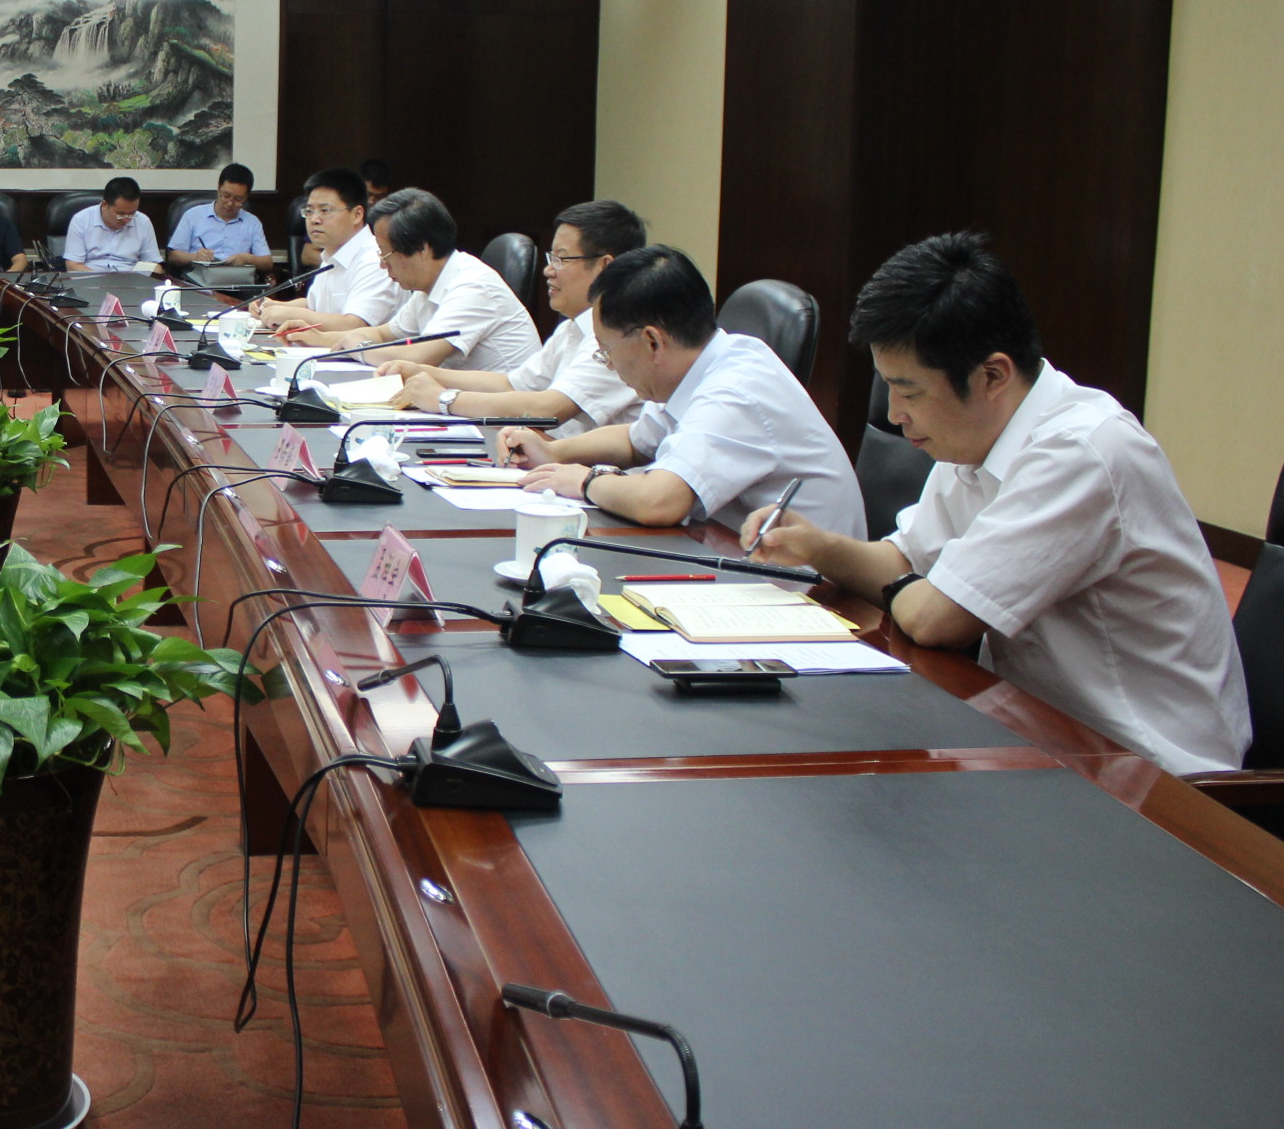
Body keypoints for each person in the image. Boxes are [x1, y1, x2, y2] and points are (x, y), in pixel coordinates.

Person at [742, 233, 1249, 774]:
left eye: (909, 392)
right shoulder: (978, 433)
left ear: (992, 375)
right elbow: (906, 563)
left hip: (1148, 774)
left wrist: (920, 589)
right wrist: (817, 547)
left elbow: (937, 619)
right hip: (1037, 736)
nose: (893, 414)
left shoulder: (1082, 452)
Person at [505, 244, 863, 537]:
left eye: (607, 351)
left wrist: (586, 480)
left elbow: (659, 502)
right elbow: (636, 440)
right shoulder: (699, 366)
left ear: (653, 341)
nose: (609, 365)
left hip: (802, 588)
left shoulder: (736, 390)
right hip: (727, 553)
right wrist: (553, 452)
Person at [383, 199, 645, 434]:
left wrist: (443, 399)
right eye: (551, 258)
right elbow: (512, 384)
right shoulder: (572, 328)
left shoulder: (621, 336)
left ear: (605, 266)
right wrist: (421, 371)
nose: (548, 271)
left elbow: (548, 408)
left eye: (562, 259)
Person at [271, 188, 539, 371]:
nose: (382, 263)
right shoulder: (427, 287)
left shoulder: (472, 285)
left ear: (421, 249)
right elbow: (382, 333)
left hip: (504, 421)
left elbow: (419, 357)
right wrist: (318, 337)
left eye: (386, 253)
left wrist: (359, 348)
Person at [252, 168, 400, 330]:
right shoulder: (332, 253)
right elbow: (315, 306)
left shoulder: (375, 260)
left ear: (357, 214)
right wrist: (275, 306)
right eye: (309, 211)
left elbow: (354, 325)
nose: (314, 219)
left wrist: (291, 314)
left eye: (325, 210)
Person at [165, 164, 275, 271]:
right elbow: (173, 257)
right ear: (218, 188)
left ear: (246, 197)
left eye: (238, 199)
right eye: (226, 196)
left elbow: (267, 263)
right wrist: (195, 257)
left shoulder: (252, 222)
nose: (230, 203)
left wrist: (247, 259)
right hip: (200, 278)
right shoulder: (193, 215)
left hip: (237, 279)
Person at [63, 177, 164, 276]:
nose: (127, 219)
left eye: (132, 213)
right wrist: (101, 281)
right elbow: (73, 265)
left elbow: (154, 265)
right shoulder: (81, 220)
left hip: (130, 279)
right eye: (121, 214)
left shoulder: (143, 221)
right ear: (105, 205)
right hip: (91, 279)